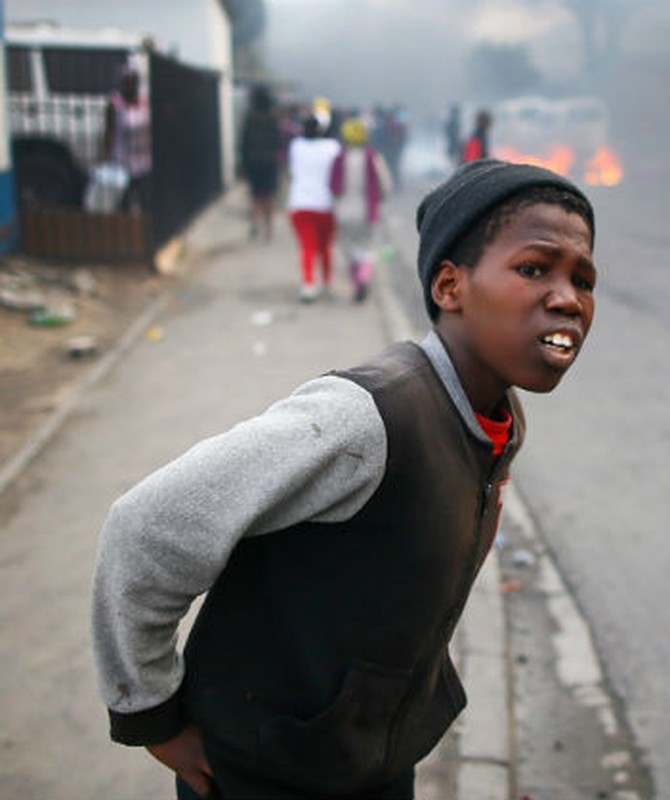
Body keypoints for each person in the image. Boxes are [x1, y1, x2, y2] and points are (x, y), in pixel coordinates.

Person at [90, 158, 598, 799]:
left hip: (371, 760)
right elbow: (146, 529)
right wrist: (151, 716)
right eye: (534, 269)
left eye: (583, 279)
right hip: (265, 770)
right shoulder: (366, 418)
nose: (568, 298)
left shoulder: (496, 416)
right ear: (449, 287)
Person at [330, 117, 394, 303]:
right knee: (366, 250)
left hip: (344, 212)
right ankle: (363, 279)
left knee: (349, 251)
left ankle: (356, 286)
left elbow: (333, 187)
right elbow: (385, 185)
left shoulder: (339, 158)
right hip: (367, 212)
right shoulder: (373, 157)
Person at [286, 115, 342, 302]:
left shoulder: (295, 145)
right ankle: (326, 282)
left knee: (307, 248)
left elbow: (292, 171)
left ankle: (308, 285)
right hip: (326, 205)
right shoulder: (333, 147)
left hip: (300, 203)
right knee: (325, 247)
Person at [100, 63, 152, 213]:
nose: (130, 85)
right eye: (126, 81)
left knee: (146, 200)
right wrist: (105, 154)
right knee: (123, 202)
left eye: (133, 81)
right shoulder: (115, 104)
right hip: (122, 160)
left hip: (144, 160)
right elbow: (108, 131)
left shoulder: (144, 102)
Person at [239, 84, 285, 241]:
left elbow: (243, 144)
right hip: (270, 162)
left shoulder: (250, 119)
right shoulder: (273, 119)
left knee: (255, 196)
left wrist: (243, 165)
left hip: (253, 162)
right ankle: (269, 230)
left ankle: (255, 223)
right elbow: (279, 142)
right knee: (269, 197)